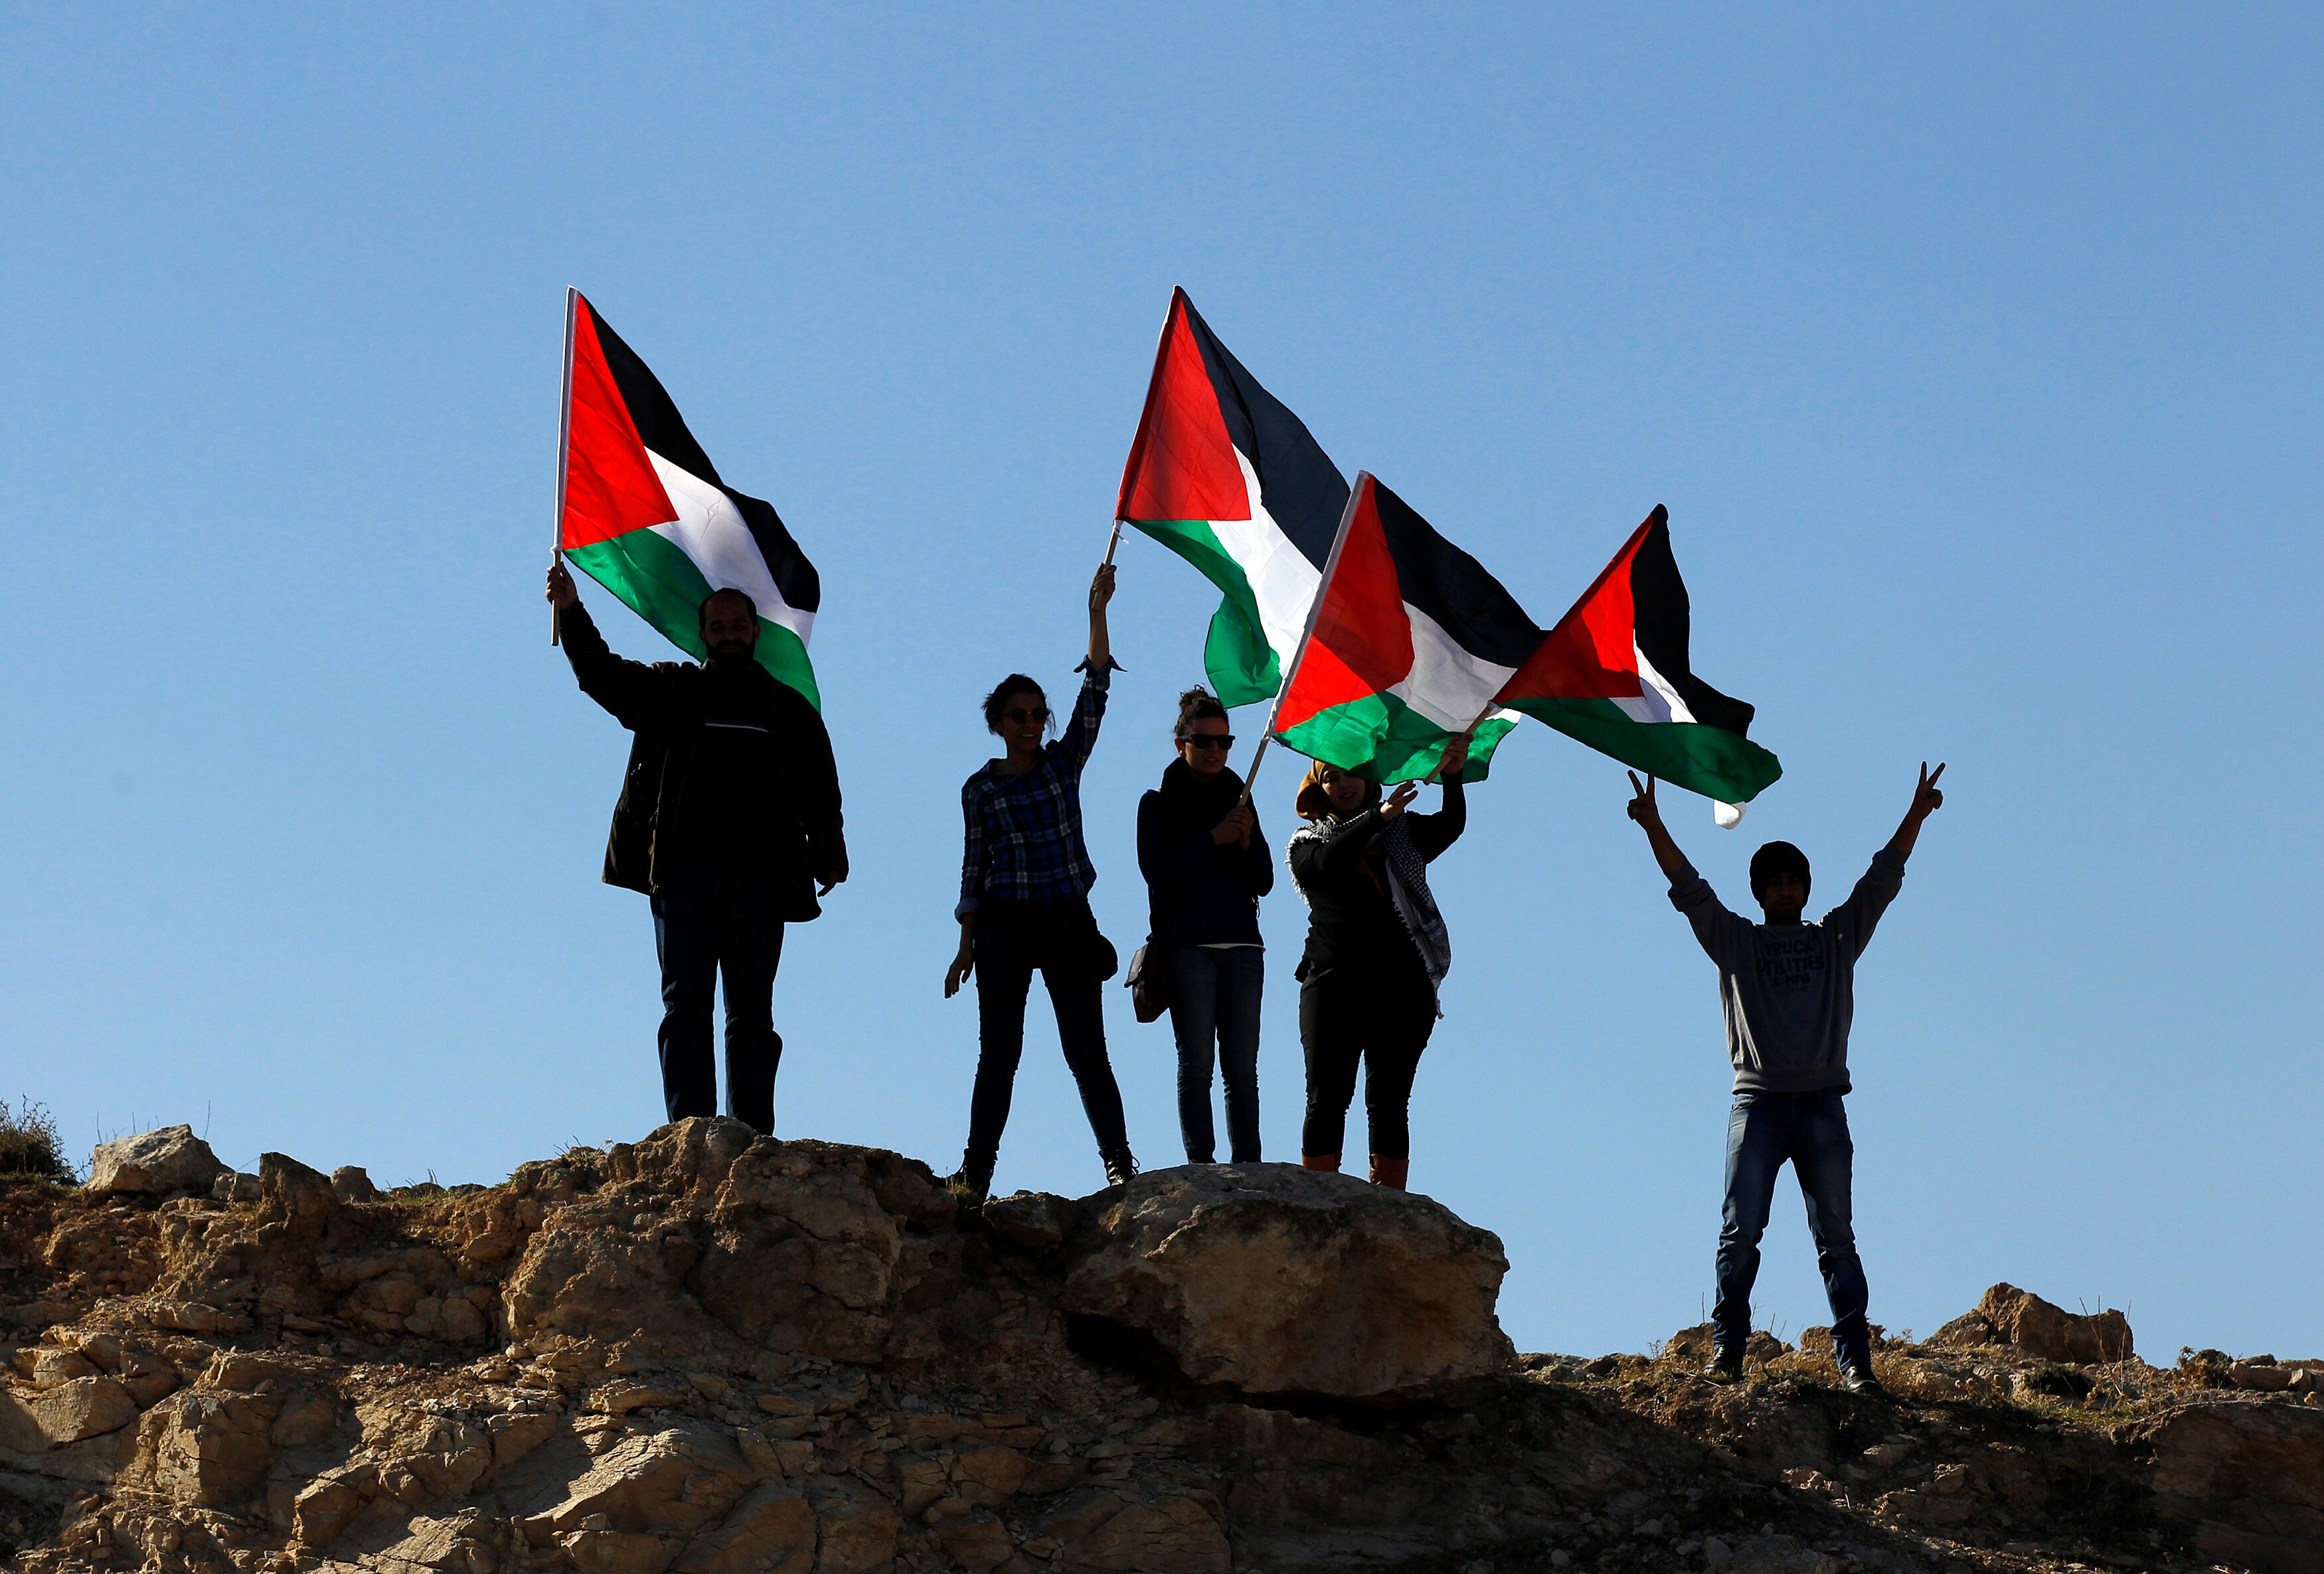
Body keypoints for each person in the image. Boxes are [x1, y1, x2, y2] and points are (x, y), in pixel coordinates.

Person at [1624, 762, 1947, 1394]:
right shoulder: (1736, 942)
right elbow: (1689, 887)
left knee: (1837, 1237)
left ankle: (1855, 1362)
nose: (1785, 888)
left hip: (1824, 1104)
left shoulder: (1835, 938)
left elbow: (1881, 881)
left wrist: (1917, 814)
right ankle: (1728, 1354)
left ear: (1805, 886)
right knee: (1740, 1232)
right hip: (1759, 1107)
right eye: (1774, 881)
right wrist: (1653, 824)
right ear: (1759, 892)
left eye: (1794, 879)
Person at [544, 560, 847, 1136]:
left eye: (739, 625)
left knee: (752, 1014)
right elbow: (603, 677)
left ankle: (751, 1133)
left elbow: (820, 784)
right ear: (702, 634)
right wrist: (572, 610)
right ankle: (689, 1131)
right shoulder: (673, 691)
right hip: (681, 876)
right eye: (719, 626)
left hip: (760, 881)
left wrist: (830, 849)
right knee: (685, 1007)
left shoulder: (789, 710)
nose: (730, 633)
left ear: (755, 633)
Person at [944, 564, 1135, 1201]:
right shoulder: (981, 789)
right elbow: (974, 868)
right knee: (999, 1055)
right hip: (1005, 927)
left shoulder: (1062, 764)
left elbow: (1097, 692)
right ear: (997, 722)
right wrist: (967, 944)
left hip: (1067, 920)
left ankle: (1118, 1163)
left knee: (1088, 1050)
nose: (1030, 723)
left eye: (1037, 713)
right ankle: (976, 1173)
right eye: (1018, 715)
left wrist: (1096, 614)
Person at [1285, 739, 1470, 1190]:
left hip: (1401, 988)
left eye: (1350, 772)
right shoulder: (1307, 842)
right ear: (1318, 785)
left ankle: (1387, 1203)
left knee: (1389, 1100)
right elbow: (1329, 863)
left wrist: (1452, 776)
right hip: (1332, 985)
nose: (1342, 783)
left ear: (1368, 776)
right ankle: (1315, 1199)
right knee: (1326, 1097)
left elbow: (1450, 825)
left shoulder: (1402, 834)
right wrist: (1377, 817)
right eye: (1330, 775)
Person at [1136, 688, 1272, 1165]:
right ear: (1181, 743)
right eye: (1204, 740)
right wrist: (1213, 839)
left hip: (1242, 946)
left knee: (1242, 1068)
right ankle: (1201, 1164)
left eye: (1224, 741)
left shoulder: (1242, 799)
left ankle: (1249, 1163)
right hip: (1187, 946)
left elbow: (1265, 880)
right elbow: (1158, 871)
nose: (1216, 750)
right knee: (1196, 1063)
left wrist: (1246, 839)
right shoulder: (1157, 804)